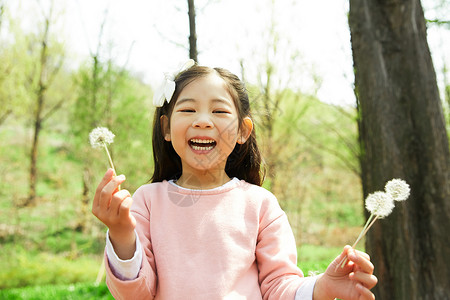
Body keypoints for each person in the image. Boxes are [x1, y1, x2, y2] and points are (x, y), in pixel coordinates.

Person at [92, 60, 378, 300]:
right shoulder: (147, 201)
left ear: (243, 131)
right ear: (166, 127)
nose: (203, 120)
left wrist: (322, 287)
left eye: (219, 111)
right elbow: (136, 294)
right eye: (188, 109)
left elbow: (278, 286)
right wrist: (120, 233)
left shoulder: (260, 204)